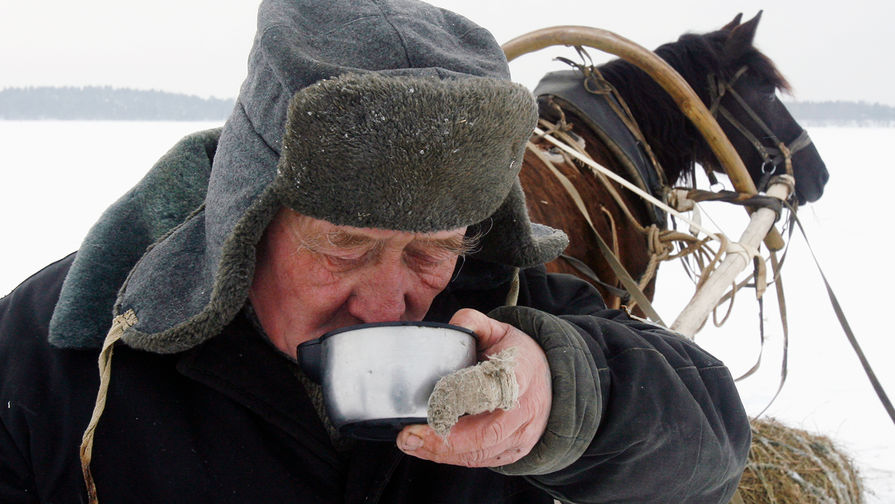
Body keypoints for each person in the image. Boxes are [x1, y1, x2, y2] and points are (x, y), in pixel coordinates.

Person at [0, 0, 750, 502]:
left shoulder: (503, 316)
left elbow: (712, 445)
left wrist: (562, 401)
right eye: (344, 246)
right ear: (245, 219)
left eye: (431, 250)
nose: (388, 305)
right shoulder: (60, 357)